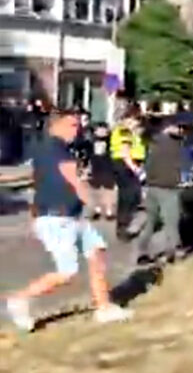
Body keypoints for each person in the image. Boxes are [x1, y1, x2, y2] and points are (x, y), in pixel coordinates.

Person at [5, 110, 133, 331]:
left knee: (96, 252)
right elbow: (74, 180)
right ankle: (19, 299)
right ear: (56, 126)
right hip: (57, 217)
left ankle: (104, 308)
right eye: (72, 125)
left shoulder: (45, 148)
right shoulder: (57, 148)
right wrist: (94, 203)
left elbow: (39, 178)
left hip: (70, 216)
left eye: (77, 125)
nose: (77, 130)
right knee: (67, 271)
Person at [137, 115, 188, 265]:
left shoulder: (153, 141)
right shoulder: (173, 143)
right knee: (170, 220)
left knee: (153, 222)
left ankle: (144, 252)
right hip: (166, 187)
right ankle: (173, 251)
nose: (181, 130)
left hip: (154, 186)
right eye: (178, 127)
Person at [109, 110, 147, 240]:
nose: (137, 123)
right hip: (125, 165)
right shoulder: (124, 131)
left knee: (132, 195)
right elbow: (125, 152)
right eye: (135, 120)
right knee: (128, 196)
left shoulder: (130, 131)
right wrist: (136, 169)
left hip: (129, 164)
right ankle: (123, 226)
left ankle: (126, 223)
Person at [87, 122, 116, 221]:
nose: (102, 132)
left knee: (108, 190)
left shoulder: (111, 141)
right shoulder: (90, 142)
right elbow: (87, 154)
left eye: (104, 129)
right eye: (99, 129)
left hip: (108, 167)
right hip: (95, 167)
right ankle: (97, 210)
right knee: (95, 190)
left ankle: (109, 211)